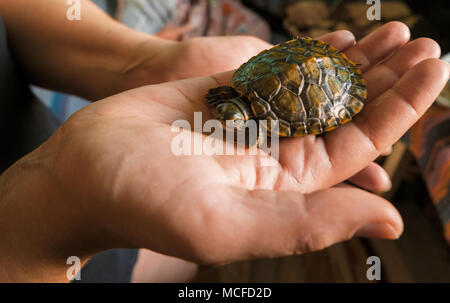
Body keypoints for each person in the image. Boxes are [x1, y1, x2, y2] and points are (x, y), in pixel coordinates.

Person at [0, 1, 448, 282]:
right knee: (166, 263)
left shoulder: (241, 92)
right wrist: (52, 207)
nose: (222, 116)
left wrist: (147, 61)